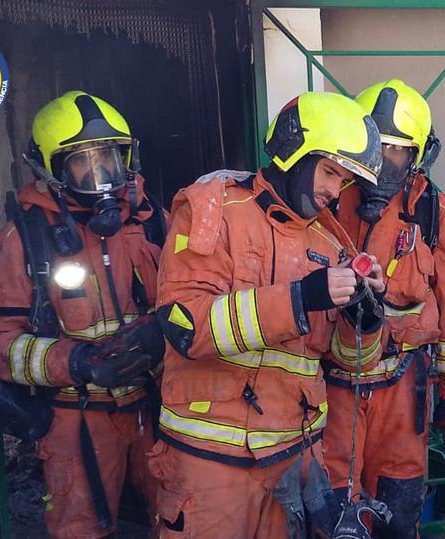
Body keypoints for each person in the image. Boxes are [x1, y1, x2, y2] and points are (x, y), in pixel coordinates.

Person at [150, 91, 390, 538]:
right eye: (330, 172)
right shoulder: (215, 210)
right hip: (211, 463)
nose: (334, 193)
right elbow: (185, 325)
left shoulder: (331, 244)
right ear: (293, 152)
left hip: (295, 464)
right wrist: (298, 300)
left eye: (344, 182)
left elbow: (350, 362)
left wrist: (366, 322)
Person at [0, 90, 166, 538]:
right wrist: (75, 362)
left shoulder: (152, 223)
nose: (99, 172)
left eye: (108, 157)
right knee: (79, 528)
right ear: (52, 169)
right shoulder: (23, 240)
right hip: (75, 418)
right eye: (81, 160)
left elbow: (189, 301)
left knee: (178, 520)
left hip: (155, 409)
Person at [323, 79, 445, 538]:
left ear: (418, 156)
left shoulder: (433, 213)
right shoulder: (325, 198)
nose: (385, 161)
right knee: (333, 513)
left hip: (404, 387)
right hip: (333, 388)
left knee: (400, 507)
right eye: (376, 146)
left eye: (397, 150)